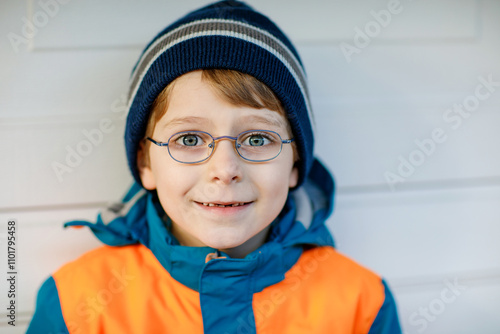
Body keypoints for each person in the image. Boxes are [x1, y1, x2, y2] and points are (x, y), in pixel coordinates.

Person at [27, 1, 402, 333]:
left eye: (257, 139)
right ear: (146, 164)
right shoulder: (74, 305)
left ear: (295, 164)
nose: (225, 169)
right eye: (189, 139)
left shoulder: (362, 305)